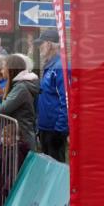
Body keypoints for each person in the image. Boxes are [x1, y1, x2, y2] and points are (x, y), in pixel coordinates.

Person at [0, 53, 39, 166]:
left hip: (22, 139)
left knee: (19, 172)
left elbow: (4, 108)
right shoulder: (17, 85)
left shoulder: (21, 87)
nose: (2, 70)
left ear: (11, 69)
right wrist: (0, 96)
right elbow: (10, 104)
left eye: (4, 67)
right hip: (17, 137)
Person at [36, 27, 69, 162]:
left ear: (49, 44)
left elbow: (66, 99)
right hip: (46, 127)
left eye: (41, 44)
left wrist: (60, 129)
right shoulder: (51, 65)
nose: (39, 48)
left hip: (54, 129)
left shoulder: (60, 67)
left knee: (56, 169)